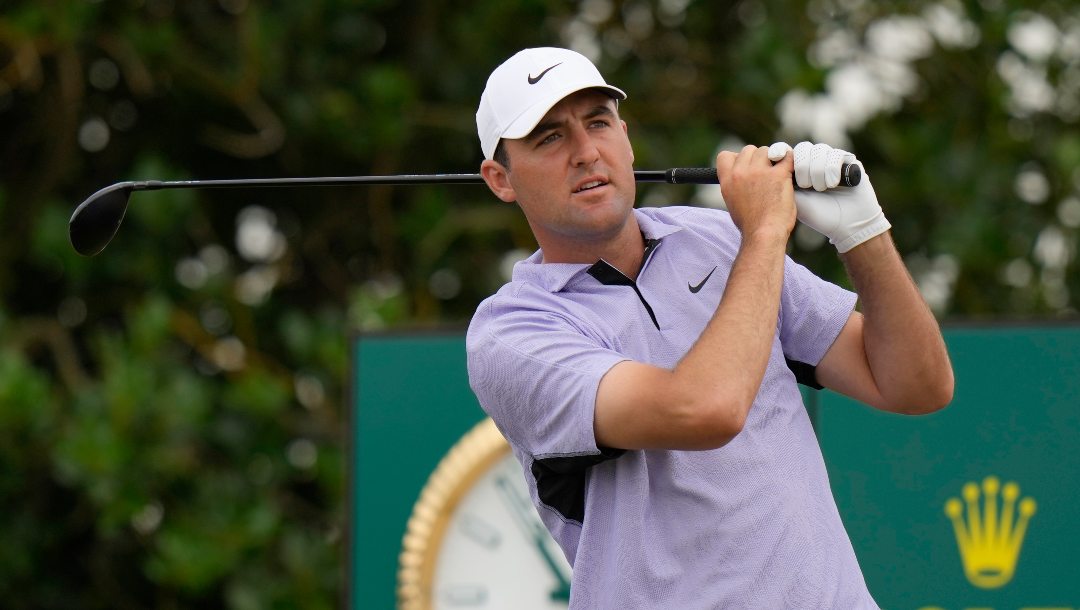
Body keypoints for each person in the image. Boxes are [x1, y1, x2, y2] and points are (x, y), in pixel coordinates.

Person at [466, 46, 953, 609]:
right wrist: (768, 231)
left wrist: (864, 231)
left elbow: (917, 385)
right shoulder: (512, 334)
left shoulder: (719, 240)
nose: (584, 152)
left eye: (597, 122)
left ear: (625, 137)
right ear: (500, 179)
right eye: (548, 138)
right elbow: (703, 410)